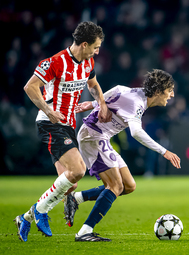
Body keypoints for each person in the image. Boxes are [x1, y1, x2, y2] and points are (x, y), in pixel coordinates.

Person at [14, 21, 112, 242]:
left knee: (70, 184)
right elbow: (30, 87)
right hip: (50, 123)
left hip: (68, 126)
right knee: (78, 169)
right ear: (84, 44)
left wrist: (102, 104)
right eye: (95, 47)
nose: (97, 51)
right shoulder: (55, 62)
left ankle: (27, 217)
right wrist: (48, 111)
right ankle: (40, 212)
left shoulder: (88, 62)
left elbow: (93, 85)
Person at [65, 69, 181, 241]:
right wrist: (164, 151)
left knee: (128, 185)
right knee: (115, 186)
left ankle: (76, 198)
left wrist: (93, 104)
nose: (171, 95)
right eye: (169, 90)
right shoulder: (138, 104)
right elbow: (136, 132)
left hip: (101, 137)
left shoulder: (133, 92)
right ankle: (84, 232)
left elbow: (115, 92)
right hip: (94, 137)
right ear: (157, 91)